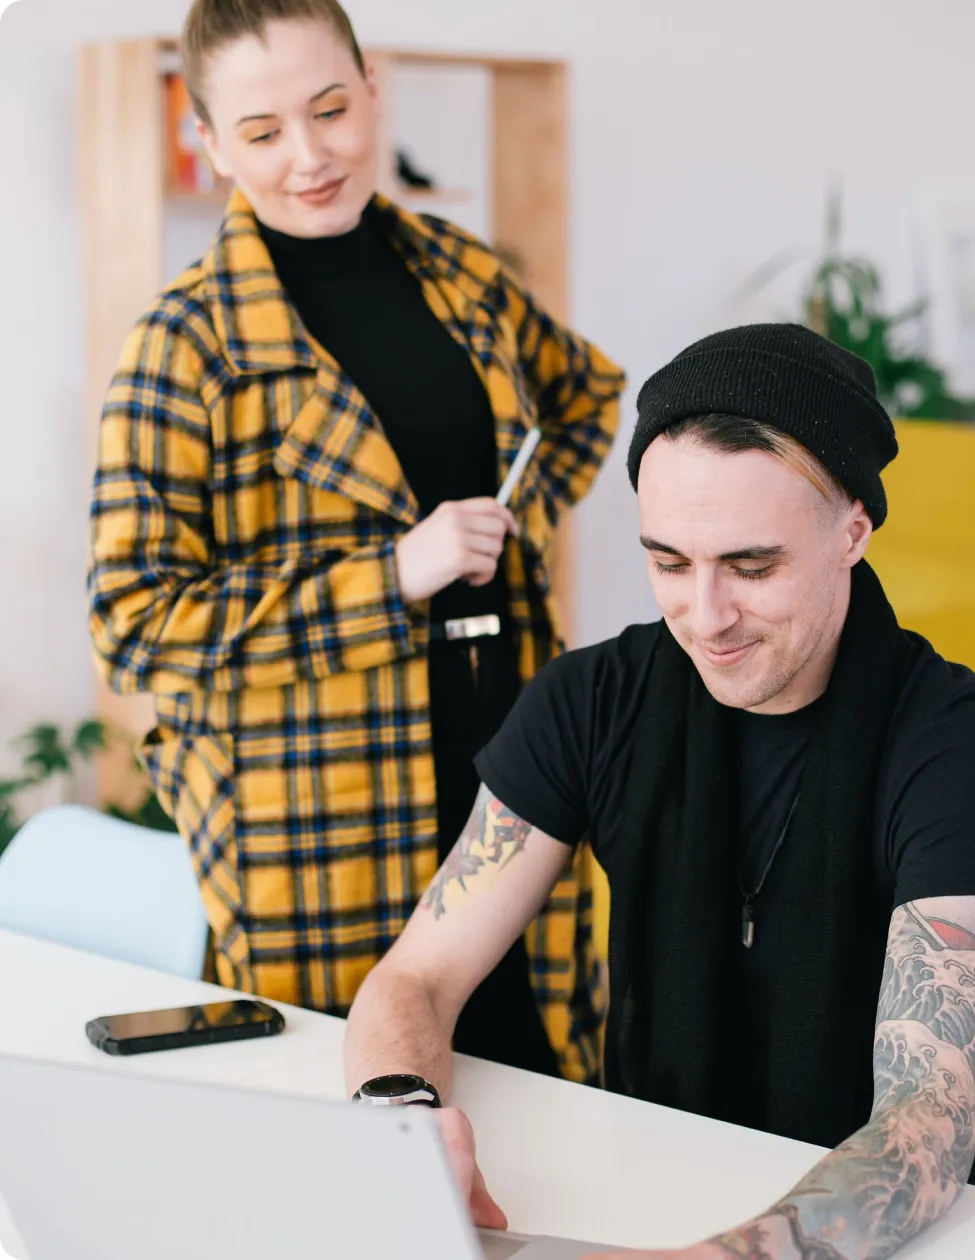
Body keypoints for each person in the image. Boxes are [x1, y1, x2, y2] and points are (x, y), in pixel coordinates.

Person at [342, 324, 975, 1260]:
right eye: (669, 562)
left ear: (853, 532)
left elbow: (927, 1126)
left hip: (889, 1237)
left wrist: (728, 1256)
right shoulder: (593, 701)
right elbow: (418, 976)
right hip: (642, 1185)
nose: (704, 618)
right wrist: (402, 1118)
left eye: (753, 567)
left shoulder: (951, 747)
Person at [86, 0, 624, 1086]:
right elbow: (133, 630)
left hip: (508, 749)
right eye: (264, 131)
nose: (310, 157)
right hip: (314, 809)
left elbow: (585, 398)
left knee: (541, 1077)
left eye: (331, 110)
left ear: (374, 91)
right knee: (358, 1114)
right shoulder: (180, 347)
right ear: (209, 143)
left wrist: (506, 542)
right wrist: (390, 579)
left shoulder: (454, 269)